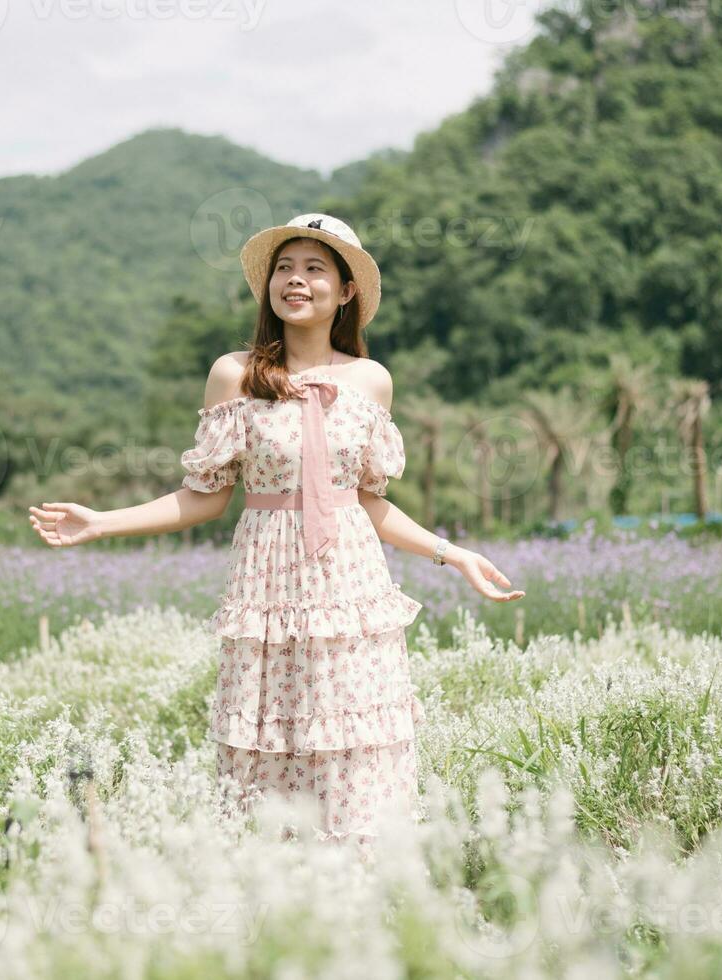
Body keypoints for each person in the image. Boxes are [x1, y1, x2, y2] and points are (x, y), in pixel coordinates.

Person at [28, 213, 524, 861]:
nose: (296, 281)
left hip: (349, 591)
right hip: (267, 593)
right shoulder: (234, 374)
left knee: (354, 746)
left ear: (346, 291)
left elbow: (368, 502)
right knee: (269, 753)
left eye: (315, 269)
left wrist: (452, 554)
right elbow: (204, 498)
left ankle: (361, 900)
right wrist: (101, 521)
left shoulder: (371, 382)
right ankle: (269, 909)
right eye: (285, 268)